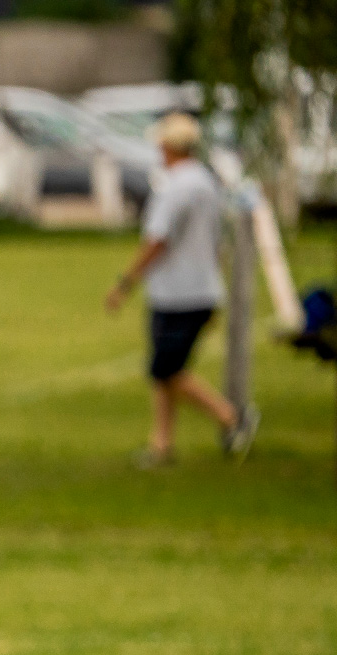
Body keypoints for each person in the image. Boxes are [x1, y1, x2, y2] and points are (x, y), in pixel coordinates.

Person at [105, 111, 259, 467]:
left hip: (180, 292)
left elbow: (158, 240)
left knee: (165, 370)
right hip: (197, 290)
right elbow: (216, 243)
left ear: (170, 146)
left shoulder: (175, 186)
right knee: (163, 370)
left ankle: (232, 419)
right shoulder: (206, 181)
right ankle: (162, 444)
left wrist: (125, 283)